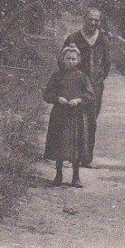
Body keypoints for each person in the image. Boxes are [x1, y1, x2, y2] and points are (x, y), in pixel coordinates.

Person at [62, 8, 112, 167]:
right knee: (72, 119)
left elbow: (107, 63)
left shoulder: (103, 39)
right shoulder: (73, 38)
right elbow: (62, 60)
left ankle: (86, 158)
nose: (93, 23)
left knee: (91, 121)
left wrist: (97, 81)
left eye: (96, 20)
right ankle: (70, 156)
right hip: (75, 86)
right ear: (84, 19)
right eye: (90, 19)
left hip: (95, 88)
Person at [42, 44, 95, 188]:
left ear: (78, 60)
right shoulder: (57, 76)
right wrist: (57, 98)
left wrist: (79, 100)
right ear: (62, 59)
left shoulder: (82, 77)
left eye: (73, 59)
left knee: (76, 145)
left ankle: (75, 176)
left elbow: (90, 95)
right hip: (60, 115)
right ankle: (58, 175)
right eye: (68, 58)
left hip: (76, 115)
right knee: (59, 144)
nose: (70, 61)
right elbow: (47, 94)